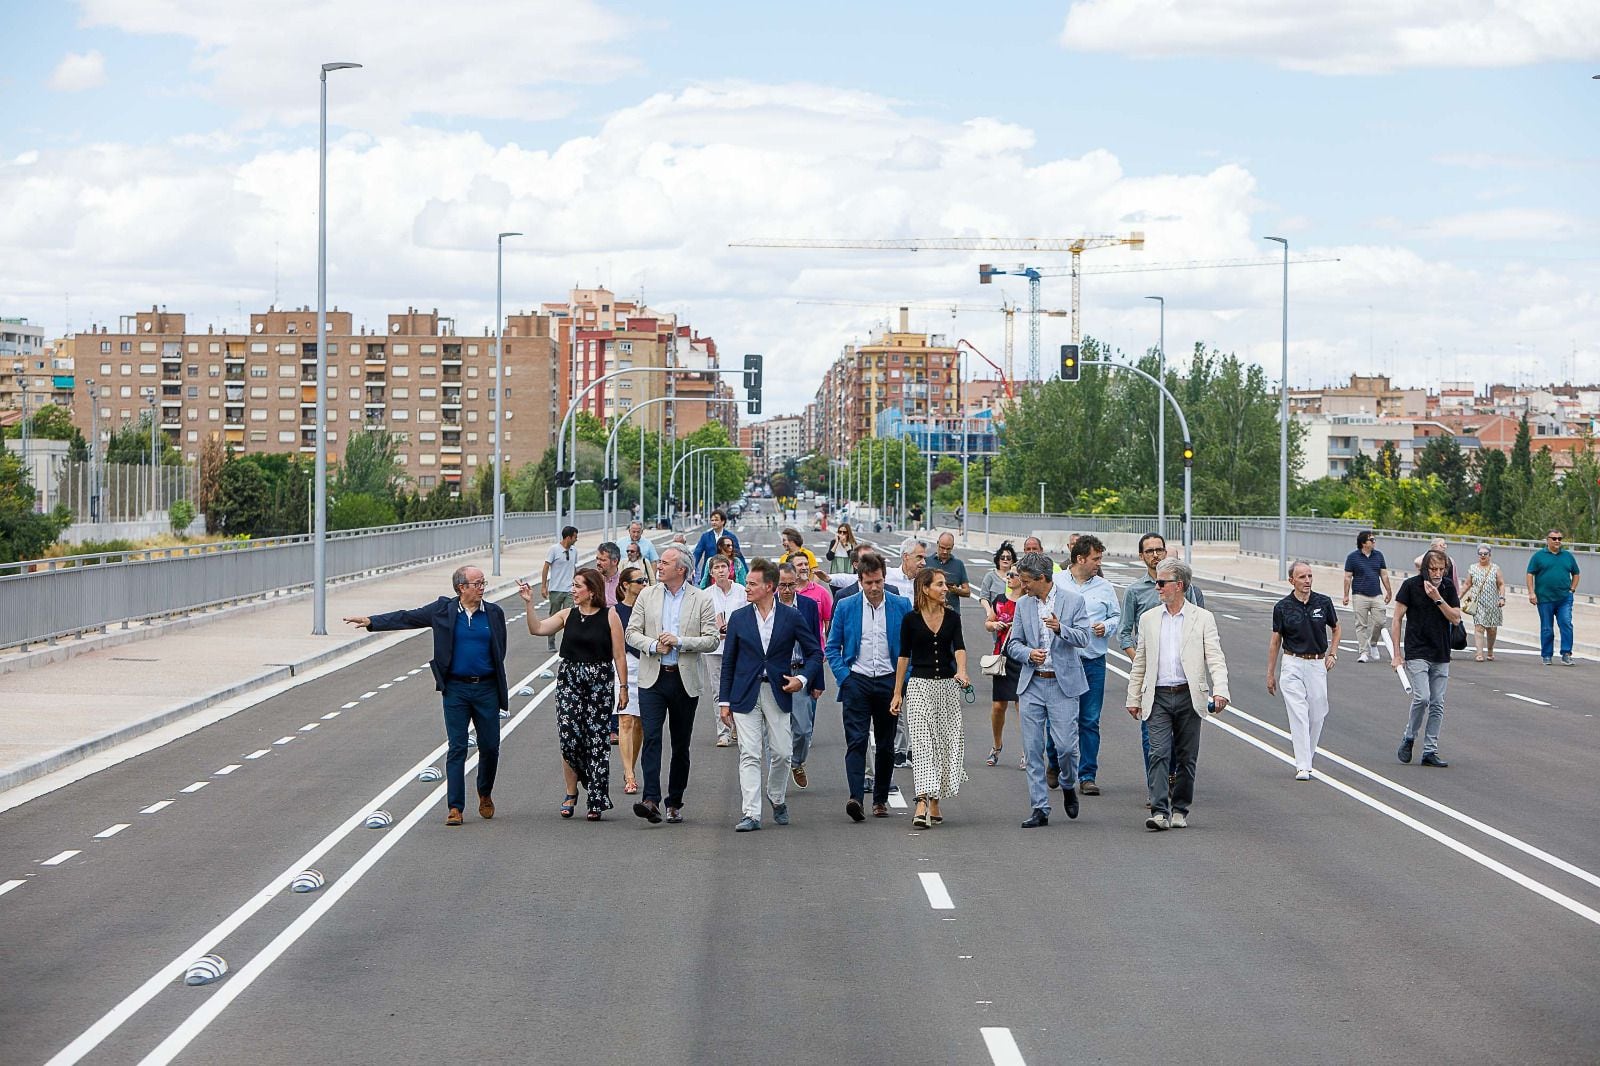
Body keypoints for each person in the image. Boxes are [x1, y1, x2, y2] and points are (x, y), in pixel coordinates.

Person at [343, 566, 508, 826]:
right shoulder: (443, 610)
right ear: (461, 588)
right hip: (455, 689)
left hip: (486, 688)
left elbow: (501, 648)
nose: (482, 587)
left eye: (483, 583)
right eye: (477, 583)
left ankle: (484, 792)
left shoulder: (494, 614)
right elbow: (408, 618)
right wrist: (372, 621)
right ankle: (455, 807)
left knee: (490, 747)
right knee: (457, 746)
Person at [1124, 558, 1230, 831]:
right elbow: (1141, 662)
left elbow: (1215, 657)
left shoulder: (1202, 618)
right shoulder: (1149, 619)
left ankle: (1180, 808)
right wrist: (1133, 697)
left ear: (1179, 585)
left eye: (1162, 583)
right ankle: (1160, 811)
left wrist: (1220, 691)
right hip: (1158, 696)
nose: (1157, 587)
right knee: (1158, 753)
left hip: (1188, 696)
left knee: (1186, 757)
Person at [718, 558, 824, 832]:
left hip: (778, 691)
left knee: (782, 752)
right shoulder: (739, 618)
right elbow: (728, 662)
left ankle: (776, 797)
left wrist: (801, 679)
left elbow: (815, 652)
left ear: (769, 587)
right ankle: (751, 814)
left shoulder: (791, 617)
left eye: (752, 584)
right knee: (749, 753)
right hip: (745, 694)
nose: (747, 588)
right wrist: (724, 702)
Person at [520, 568, 628, 820]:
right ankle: (572, 791)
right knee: (569, 738)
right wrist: (529, 604)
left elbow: (619, 655)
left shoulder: (610, 616)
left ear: (591, 591)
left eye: (578, 586)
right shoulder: (567, 614)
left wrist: (623, 687)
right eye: (573, 585)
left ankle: (596, 797)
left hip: (599, 681)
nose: (573, 590)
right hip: (570, 679)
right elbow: (537, 629)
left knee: (597, 741)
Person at [625, 546, 721, 823]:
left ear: (681, 569)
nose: (659, 566)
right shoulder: (647, 595)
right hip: (653, 677)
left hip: (684, 679)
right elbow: (631, 632)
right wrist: (653, 644)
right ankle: (651, 799)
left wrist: (680, 641)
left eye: (665, 563)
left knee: (680, 744)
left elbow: (712, 639)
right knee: (652, 737)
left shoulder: (700, 599)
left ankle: (675, 800)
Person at [1006, 552, 1092, 828]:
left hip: (1062, 683)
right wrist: (1029, 653)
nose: (1023, 585)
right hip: (1032, 683)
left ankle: (1068, 784)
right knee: (1032, 749)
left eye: (1027, 581)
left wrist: (1060, 628)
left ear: (1043, 578)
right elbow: (1012, 644)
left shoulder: (1073, 601)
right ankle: (1040, 807)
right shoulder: (1023, 605)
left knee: (1066, 746)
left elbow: (1084, 638)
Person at [825, 551, 912, 820]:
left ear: (884, 578)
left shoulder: (901, 605)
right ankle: (855, 798)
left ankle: (880, 799)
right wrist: (845, 678)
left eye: (878, 581)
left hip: (889, 682)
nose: (874, 588)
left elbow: (910, 649)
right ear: (860, 581)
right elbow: (832, 647)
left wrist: (902, 682)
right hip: (857, 681)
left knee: (886, 745)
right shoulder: (846, 605)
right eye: (868, 583)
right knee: (857, 741)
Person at [1116, 532, 1205, 781]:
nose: (1155, 555)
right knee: (1152, 737)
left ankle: (1173, 776)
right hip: (1151, 678)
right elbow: (1124, 634)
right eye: (1149, 551)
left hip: (1182, 678)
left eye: (1159, 550)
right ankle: (1157, 784)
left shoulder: (1189, 591)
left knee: (1179, 735)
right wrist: (1141, 662)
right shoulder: (1135, 591)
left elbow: (1202, 630)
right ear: (1141, 556)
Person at [890, 568, 970, 828]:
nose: (945, 588)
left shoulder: (953, 618)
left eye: (945, 584)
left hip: (947, 687)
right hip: (919, 687)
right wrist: (897, 692)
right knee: (923, 744)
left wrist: (962, 671)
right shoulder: (910, 620)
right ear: (925, 589)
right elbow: (903, 657)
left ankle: (935, 800)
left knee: (945, 746)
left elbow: (959, 648)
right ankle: (922, 801)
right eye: (940, 584)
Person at [1266, 561, 1340, 780]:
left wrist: (1333, 653)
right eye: (1302, 577)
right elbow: (1275, 640)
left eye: (1309, 576)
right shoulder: (1282, 607)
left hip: (1317, 663)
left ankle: (1307, 757)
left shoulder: (1323, 602)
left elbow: (1336, 628)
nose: (1307, 581)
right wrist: (1271, 673)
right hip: (1293, 662)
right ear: (1292, 581)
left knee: (1318, 713)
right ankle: (1303, 765)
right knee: (1299, 713)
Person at [1391, 549, 1463, 767]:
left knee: (1437, 703)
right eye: (1433, 569)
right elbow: (1396, 619)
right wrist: (1397, 654)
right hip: (1417, 651)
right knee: (1422, 697)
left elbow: (1456, 619)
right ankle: (1409, 737)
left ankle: (1430, 750)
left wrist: (1438, 598)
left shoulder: (1448, 588)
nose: (1438, 573)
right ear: (1424, 569)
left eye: (1442, 569)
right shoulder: (1410, 586)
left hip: (1441, 652)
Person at [1065, 535, 1119, 796]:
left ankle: (1087, 775)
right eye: (1096, 558)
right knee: (1061, 718)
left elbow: (1115, 617)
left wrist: (1106, 626)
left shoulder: (1105, 587)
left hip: (1093, 661)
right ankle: (1055, 761)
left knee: (1089, 720)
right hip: (1064, 661)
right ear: (1080, 558)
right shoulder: (1059, 584)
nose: (1099, 563)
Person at [776, 561, 825, 789]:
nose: (786, 590)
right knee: (775, 732)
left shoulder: (807, 605)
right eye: (782, 585)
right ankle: (778, 775)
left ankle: (796, 762)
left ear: (797, 583)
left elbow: (816, 644)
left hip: (801, 674)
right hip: (776, 674)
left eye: (790, 585)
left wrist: (818, 680)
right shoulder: (768, 605)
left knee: (804, 729)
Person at [702, 554, 749, 748]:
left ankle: (738, 726)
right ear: (711, 572)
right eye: (716, 568)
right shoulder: (705, 595)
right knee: (718, 691)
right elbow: (701, 622)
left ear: (729, 570)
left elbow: (750, 617)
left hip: (739, 648)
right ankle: (723, 733)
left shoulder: (742, 591)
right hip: (715, 648)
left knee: (738, 688)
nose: (720, 570)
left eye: (724, 567)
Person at [982, 568, 1023, 767]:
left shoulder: (1028, 601)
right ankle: (996, 746)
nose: (1009, 578)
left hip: (1023, 657)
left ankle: (1027, 751)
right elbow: (987, 623)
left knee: (1022, 706)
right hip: (1002, 655)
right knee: (999, 706)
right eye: (1009, 575)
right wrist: (995, 625)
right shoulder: (999, 599)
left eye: (1013, 575)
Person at [613, 565, 648, 794]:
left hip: (646, 665)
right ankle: (629, 774)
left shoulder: (649, 608)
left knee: (639, 724)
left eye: (645, 580)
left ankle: (631, 765)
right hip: (623, 667)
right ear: (626, 585)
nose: (644, 584)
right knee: (625, 720)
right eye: (639, 581)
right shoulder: (614, 612)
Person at [1527, 529, 1580, 666]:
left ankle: (1566, 653)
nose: (1557, 541)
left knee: (1566, 624)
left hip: (1564, 598)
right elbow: (1530, 574)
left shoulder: (1567, 556)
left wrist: (1572, 589)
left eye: (1560, 539)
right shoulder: (1539, 556)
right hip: (1544, 598)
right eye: (1554, 538)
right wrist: (1531, 592)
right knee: (1547, 628)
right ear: (1548, 540)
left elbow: (1576, 573)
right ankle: (1546, 655)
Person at [1343, 530, 1393, 663]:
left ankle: (1373, 643)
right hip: (1359, 595)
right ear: (1363, 543)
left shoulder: (1379, 556)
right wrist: (1346, 595)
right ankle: (1363, 652)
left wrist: (1389, 591)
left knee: (1380, 621)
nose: (1374, 542)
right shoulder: (1352, 557)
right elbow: (1348, 577)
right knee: (1361, 625)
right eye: (1372, 540)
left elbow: (1384, 575)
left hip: (1376, 594)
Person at [1463, 545, 1507, 662]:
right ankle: (1479, 653)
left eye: (1485, 553)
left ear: (1489, 555)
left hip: (1493, 603)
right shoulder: (1472, 568)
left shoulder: (1495, 568)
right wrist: (1458, 596)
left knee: (1492, 629)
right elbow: (1467, 584)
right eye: (1480, 553)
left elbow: (1501, 584)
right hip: (1478, 603)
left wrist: (1502, 598)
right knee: (1479, 627)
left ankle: (1490, 650)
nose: (1482, 556)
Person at [541, 525, 580, 651]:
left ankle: (568, 642)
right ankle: (551, 641)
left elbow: (574, 567)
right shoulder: (554, 550)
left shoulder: (574, 551)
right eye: (575, 537)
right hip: (556, 589)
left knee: (570, 617)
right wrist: (543, 586)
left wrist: (576, 583)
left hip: (569, 590)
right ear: (568, 537)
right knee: (554, 616)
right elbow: (546, 567)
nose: (576, 539)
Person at [692, 509, 742, 583]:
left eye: (716, 520)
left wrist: (745, 573)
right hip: (710, 574)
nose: (714, 522)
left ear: (723, 521)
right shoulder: (705, 536)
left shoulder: (731, 536)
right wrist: (692, 567)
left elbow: (738, 554)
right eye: (712, 520)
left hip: (728, 574)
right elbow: (697, 553)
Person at [925, 531, 971, 610]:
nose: (945, 551)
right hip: (930, 611)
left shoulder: (958, 564)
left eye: (948, 549)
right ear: (937, 544)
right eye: (942, 548)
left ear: (952, 547)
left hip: (952, 613)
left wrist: (956, 590)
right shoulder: (926, 562)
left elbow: (967, 592)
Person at [595, 541, 623, 607]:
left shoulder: (623, 583)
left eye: (603, 560)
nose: (598, 563)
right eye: (597, 559)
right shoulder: (592, 580)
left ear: (615, 561)